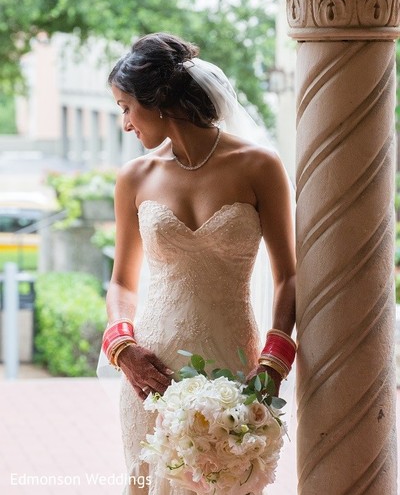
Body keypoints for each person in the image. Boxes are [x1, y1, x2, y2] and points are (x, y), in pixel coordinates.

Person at [103, 32, 296, 495]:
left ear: (160, 101)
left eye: (126, 106)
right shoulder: (135, 177)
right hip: (152, 371)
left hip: (236, 365)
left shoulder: (258, 166)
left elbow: (288, 275)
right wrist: (123, 349)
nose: (125, 123)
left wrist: (273, 364)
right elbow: (122, 283)